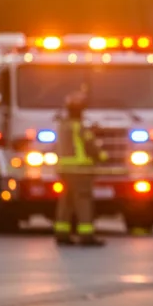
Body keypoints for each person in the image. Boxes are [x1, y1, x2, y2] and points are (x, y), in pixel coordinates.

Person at [54, 90, 109, 247]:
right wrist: (103, 156)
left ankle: (62, 234)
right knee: (83, 201)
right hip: (80, 171)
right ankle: (86, 235)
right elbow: (91, 147)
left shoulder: (62, 127)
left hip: (64, 170)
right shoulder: (81, 128)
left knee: (66, 202)